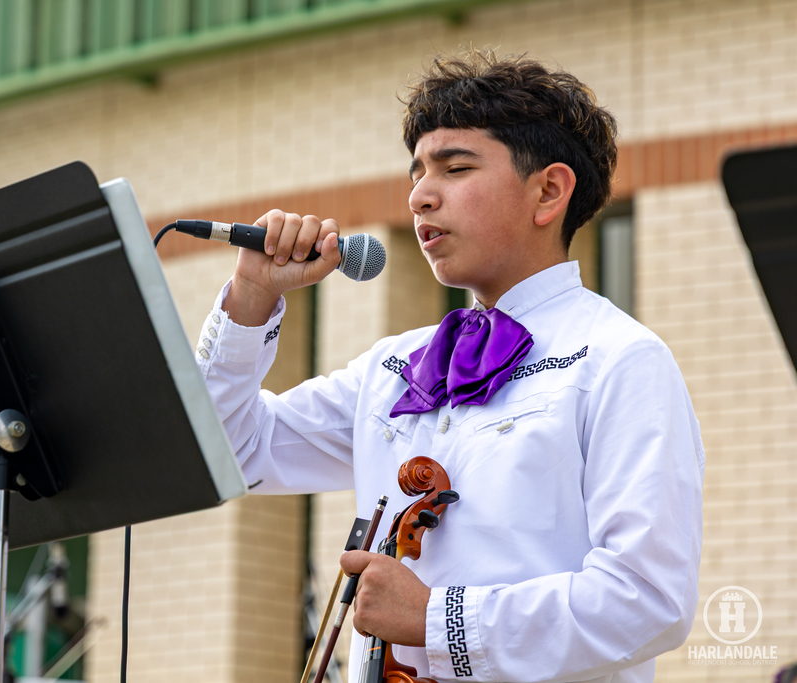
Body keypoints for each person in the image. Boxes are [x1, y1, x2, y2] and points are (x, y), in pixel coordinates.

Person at [196, 49, 704, 683]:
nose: (420, 197)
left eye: (455, 168)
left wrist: (440, 619)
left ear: (548, 191)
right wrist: (251, 298)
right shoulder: (395, 364)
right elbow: (229, 452)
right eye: (415, 174)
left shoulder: (621, 360)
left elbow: (649, 602)